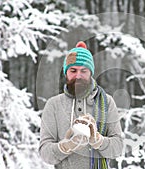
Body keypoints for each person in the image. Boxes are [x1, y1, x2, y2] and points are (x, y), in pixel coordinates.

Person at [39, 41, 124, 169]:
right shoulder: (54, 105)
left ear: (91, 73)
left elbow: (118, 148)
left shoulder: (107, 102)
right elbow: (45, 153)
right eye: (73, 70)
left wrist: (98, 141)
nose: (78, 75)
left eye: (83, 70)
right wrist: (65, 146)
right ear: (66, 73)